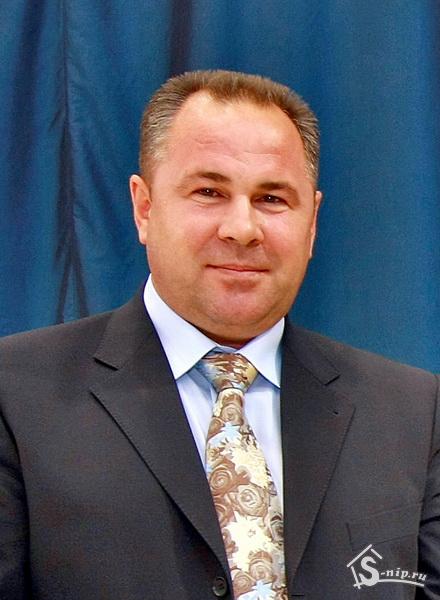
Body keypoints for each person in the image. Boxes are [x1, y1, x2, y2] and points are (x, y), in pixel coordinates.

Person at [0, 70, 438, 600]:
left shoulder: (414, 411)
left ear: (312, 222)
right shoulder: (16, 395)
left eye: (272, 198)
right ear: (144, 208)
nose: (242, 229)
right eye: (209, 192)